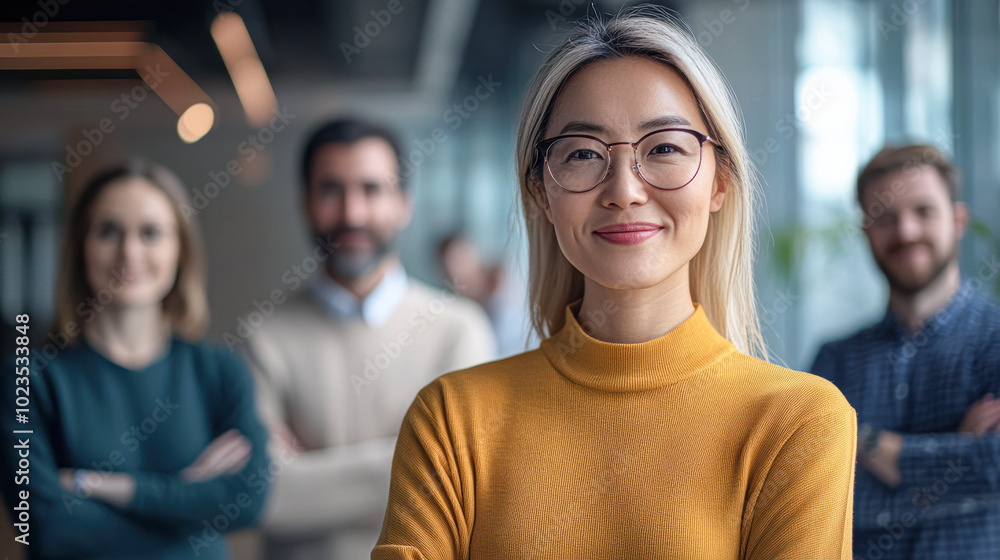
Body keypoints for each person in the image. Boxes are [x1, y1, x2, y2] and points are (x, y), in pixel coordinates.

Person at [373, 7, 857, 559]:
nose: (624, 189)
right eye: (582, 154)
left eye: (665, 148)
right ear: (539, 191)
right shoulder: (452, 420)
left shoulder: (796, 424)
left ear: (720, 181)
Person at [245, 118, 495, 560]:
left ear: (404, 203)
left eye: (372, 190)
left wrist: (310, 475)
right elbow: (264, 496)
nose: (352, 213)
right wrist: (419, 461)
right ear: (305, 203)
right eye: (331, 190)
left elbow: (468, 484)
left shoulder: (458, 329)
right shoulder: (262, 338)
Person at [0, 160, 270, 559]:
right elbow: (47, 529)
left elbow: (249, 500)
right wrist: (188, 499)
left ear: (181, 249)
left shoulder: (220, 370)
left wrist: (105, 487)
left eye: (151, 233)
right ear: (80, 247)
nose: (129, 252)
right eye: (108, 231)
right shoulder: (29, 380)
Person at [812, 145, 1000, 559]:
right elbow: (817, 501)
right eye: (885, 217)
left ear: (958, 220)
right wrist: (957, 457)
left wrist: (860, 441)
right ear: (865, 231)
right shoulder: (834, 360)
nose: (906, 231)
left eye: (923, 211)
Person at [437, 232, 537, 358]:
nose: (462, 271)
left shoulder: (513, 281)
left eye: (462, 260)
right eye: (453, 268)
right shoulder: (463, 312)